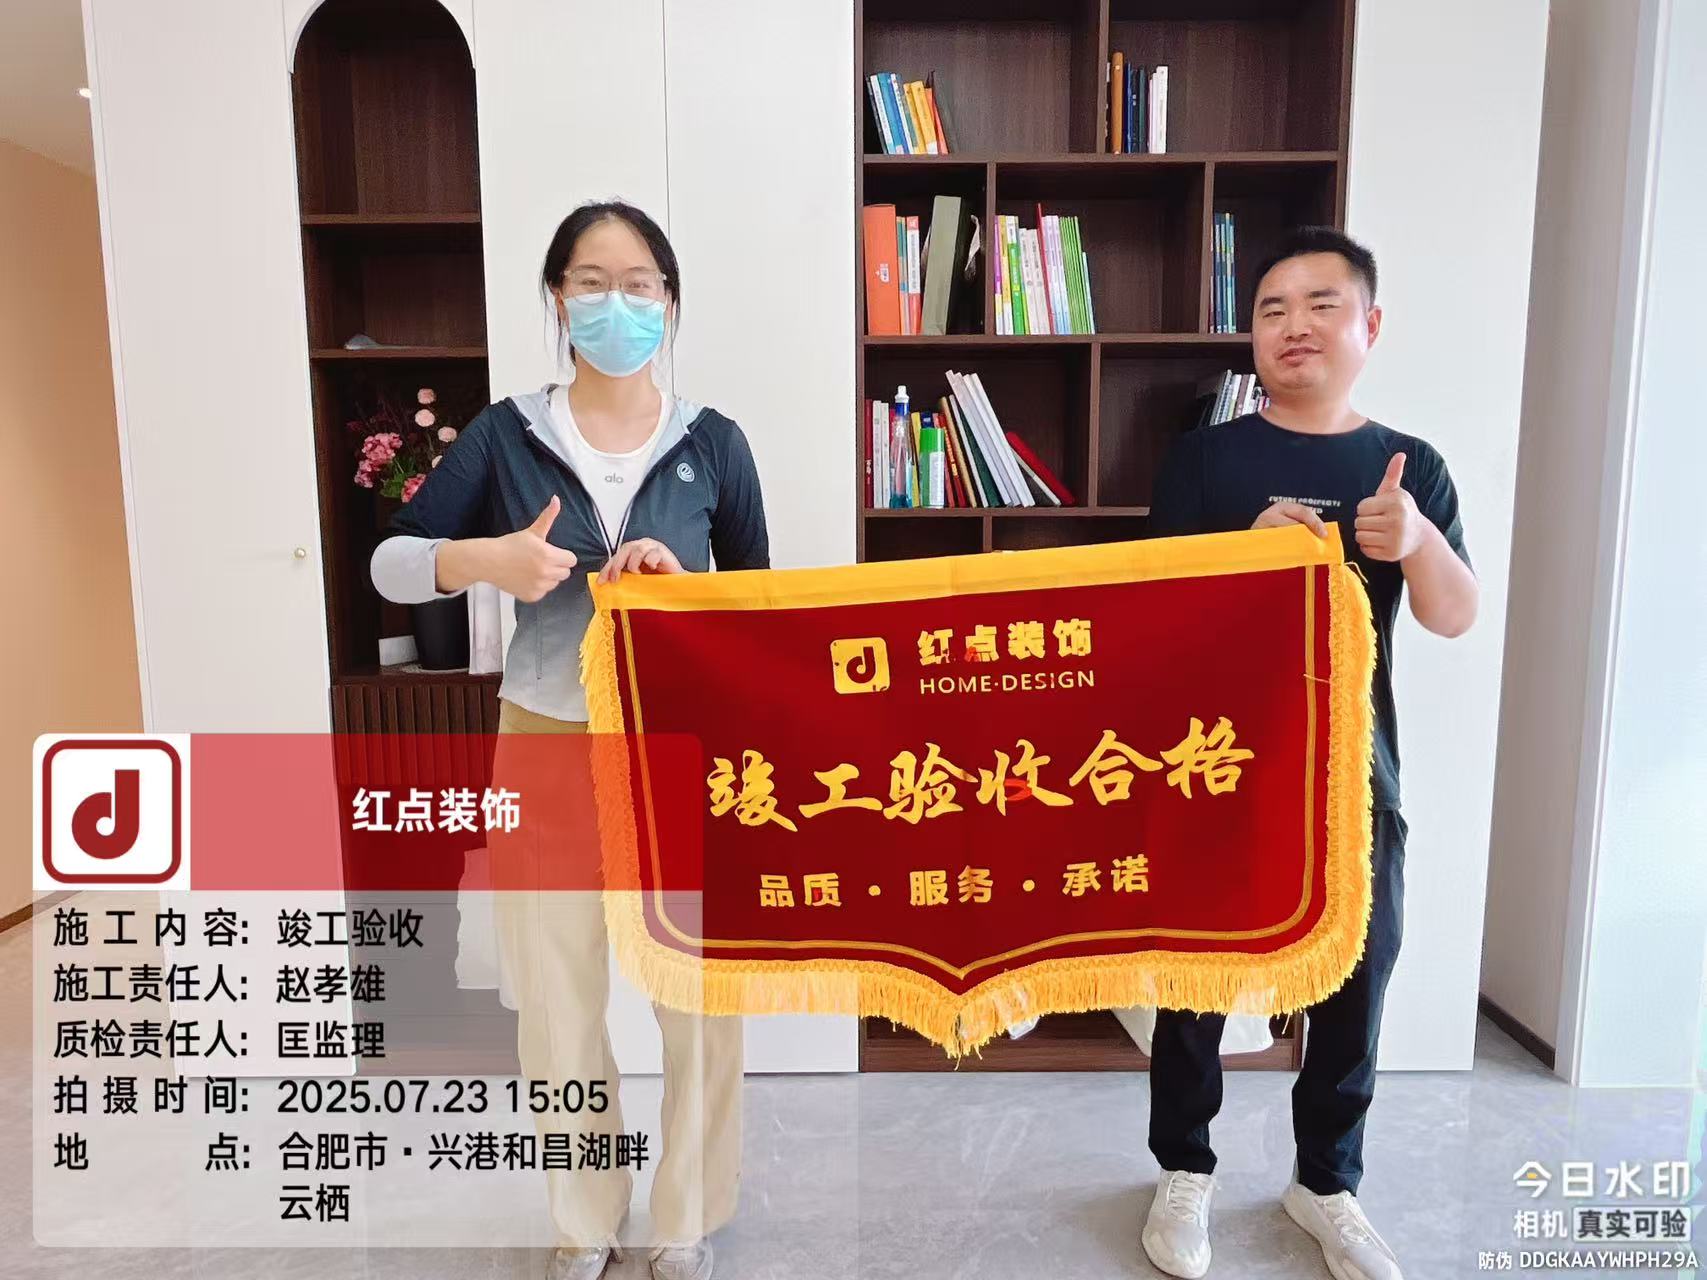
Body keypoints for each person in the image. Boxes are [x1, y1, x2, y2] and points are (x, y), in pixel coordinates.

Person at [371, 200, 768, 1280]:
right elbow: (393, 560)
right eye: (592, 282)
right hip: (544, 735)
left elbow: (759, 607)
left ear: (669, 303)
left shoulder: (714, 443)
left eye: (640, 284)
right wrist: (484, 560)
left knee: (697, 995)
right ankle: (584, 1215)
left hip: (678, 746)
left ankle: (684, 1215)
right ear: (557, 298)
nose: (616, 303)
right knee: (555, 994)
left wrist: (685, 591)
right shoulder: (506, 434)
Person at [1140, 226, 1478, 1280]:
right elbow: (1149, 619)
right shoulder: (1203, 459)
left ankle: (1325, 1181)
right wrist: (1242, 562)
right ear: (1252, 334)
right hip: (1216, 764)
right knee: (1197, 975)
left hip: (1353, 771)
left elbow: (1456, 615)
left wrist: (1416, 541)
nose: (1295, 325)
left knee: (1357, 978)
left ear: (1369, 325)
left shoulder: (1410, 468)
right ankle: (1183, 1168)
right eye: (1273, 308)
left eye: (1322, 304)